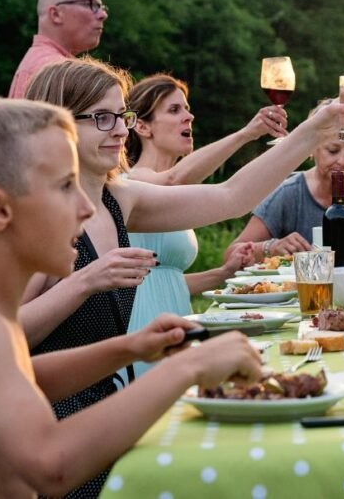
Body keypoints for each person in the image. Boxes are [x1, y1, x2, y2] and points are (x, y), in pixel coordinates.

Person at [19, 56, 344, 496]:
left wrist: (313, 132)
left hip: (114, 409)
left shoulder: (118, 197)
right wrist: (84, 281)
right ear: (57, 127)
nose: (120, 130)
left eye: (122, 116)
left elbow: (233, 196)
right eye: (102, 118)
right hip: (56, 431)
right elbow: (3, 338)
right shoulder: (36, 218)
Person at [0, 97, 263, 498]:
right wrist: (189, 367)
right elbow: (54, 465)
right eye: (66, 187)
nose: (85, 208)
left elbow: (27, 378)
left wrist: (129, 347)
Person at [119, 73, 288, 380]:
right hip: (143, 327)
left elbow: (167, 280)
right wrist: (246, 134)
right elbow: (174, 180)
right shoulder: (131, 181)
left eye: (187, 108)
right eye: (174, 110)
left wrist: (222, 274)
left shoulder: (172, 194)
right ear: (141, 126)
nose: (189, 116)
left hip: (176, 323)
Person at [228, 137, 344, 261]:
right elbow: (231, 255)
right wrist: (270, 247)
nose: (342, 161)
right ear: (313, 148)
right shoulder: (289, 193)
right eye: (333, 150)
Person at [9, 0, 108, 98]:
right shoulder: (55, 71)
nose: (103, 15)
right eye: (90, 4)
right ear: (55, 14)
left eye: (102, 7)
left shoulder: (38, 64)